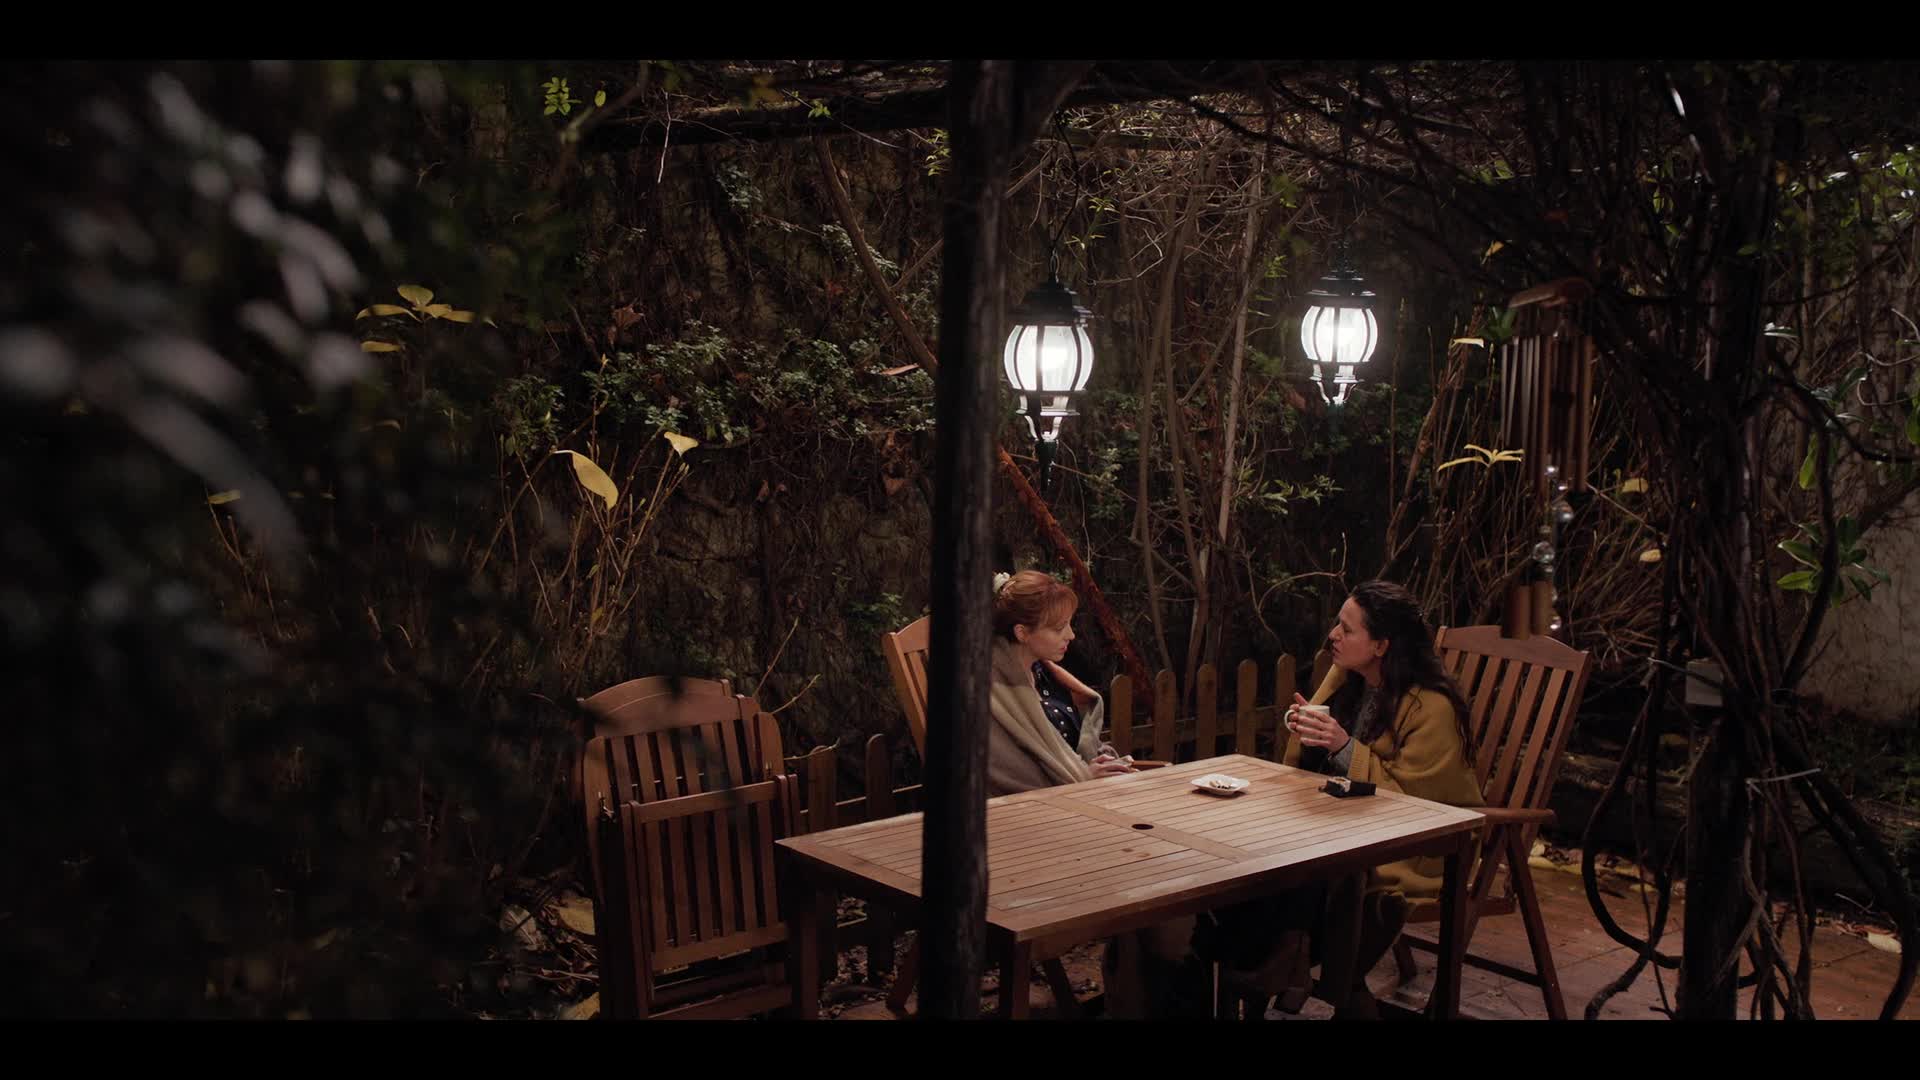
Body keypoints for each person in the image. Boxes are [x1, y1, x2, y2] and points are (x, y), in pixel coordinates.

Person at [1281, 579, 1484, 1018]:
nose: (1333, 635)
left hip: (1424, 848)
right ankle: (1290, 965)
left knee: (1328, 875)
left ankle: (1311, 974)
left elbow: (1416, 804)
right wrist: (1309, 733)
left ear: (1381, 645)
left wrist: (1342, 746)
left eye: (1347, 628)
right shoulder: (1347, 680)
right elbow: (1310, 763)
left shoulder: (1431, 707)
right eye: (1337, 623)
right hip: (1345, 823)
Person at [987, 570, 1132, 796]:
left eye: (1069, 624)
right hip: (1031, 810)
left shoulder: (1046, 675)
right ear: (1022, 632)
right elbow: (1004, 772)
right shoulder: (991, 694)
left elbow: (1071, 751)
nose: (1071, 635)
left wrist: (1099, 763)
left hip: (1087, 797)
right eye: (1059, 628)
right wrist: (1083, 776)